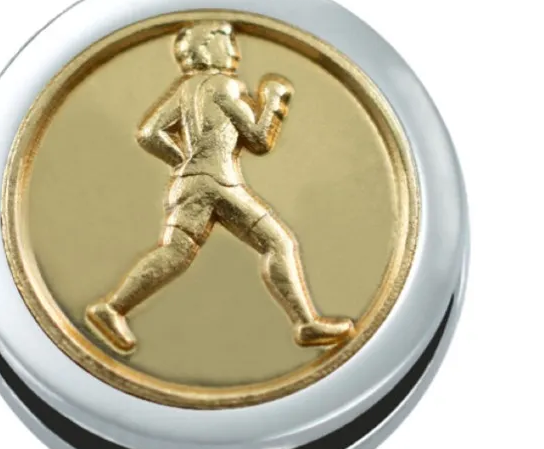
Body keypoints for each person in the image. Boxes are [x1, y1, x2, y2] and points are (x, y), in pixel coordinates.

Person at [85, 20, 354, 355]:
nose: (235, 52)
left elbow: (149, 133)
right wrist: (273, 101)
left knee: (175, 253)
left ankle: (112, 308)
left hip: (190, 183)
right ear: (207, 48)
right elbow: (259, 140)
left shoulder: (187, 88)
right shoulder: (225, 86)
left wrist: (183, 162)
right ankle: (306, 324)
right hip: (219, 182)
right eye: (226, 42)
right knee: (278, 242)